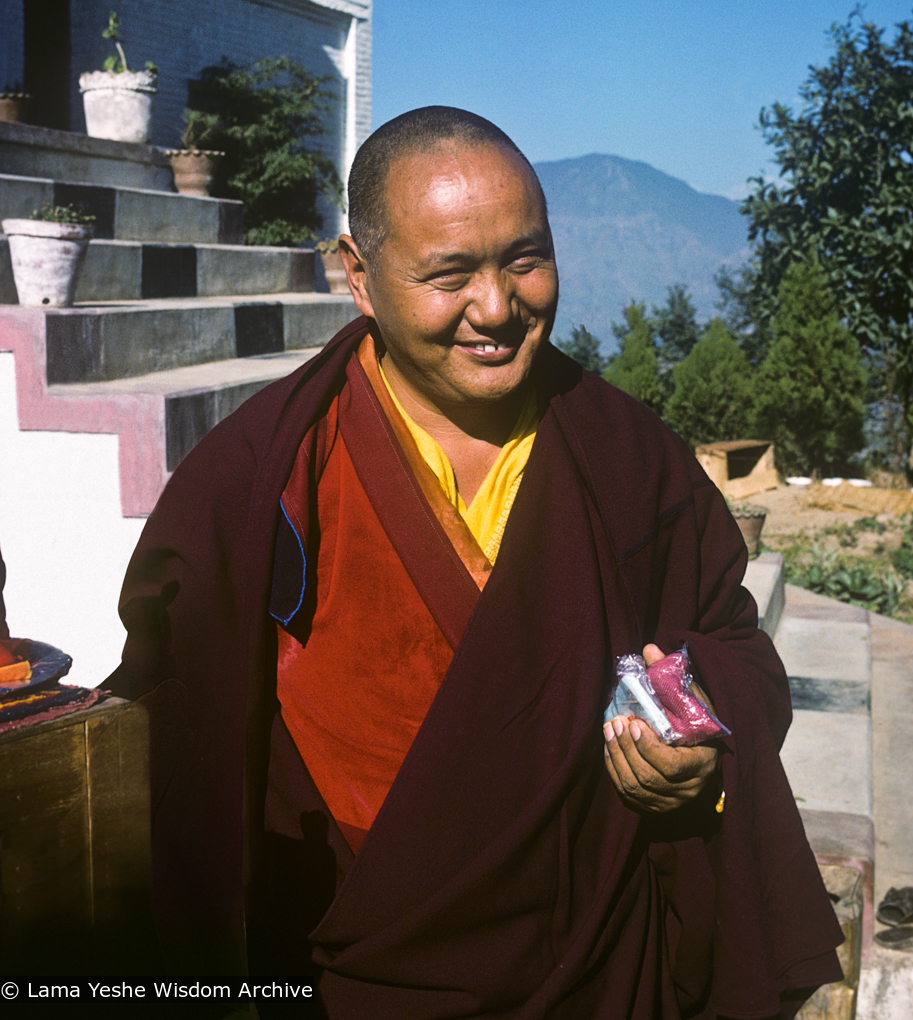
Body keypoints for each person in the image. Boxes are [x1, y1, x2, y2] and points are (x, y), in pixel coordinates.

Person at [109, 107, 842, 1017]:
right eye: (448, 274)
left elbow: (736, 648)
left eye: (524, 261)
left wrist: (699, 742)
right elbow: (174, 723)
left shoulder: (625, 453)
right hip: (351, 968)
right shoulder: (268, 478)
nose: (495, 309)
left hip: (595, 958)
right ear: (360, 277)